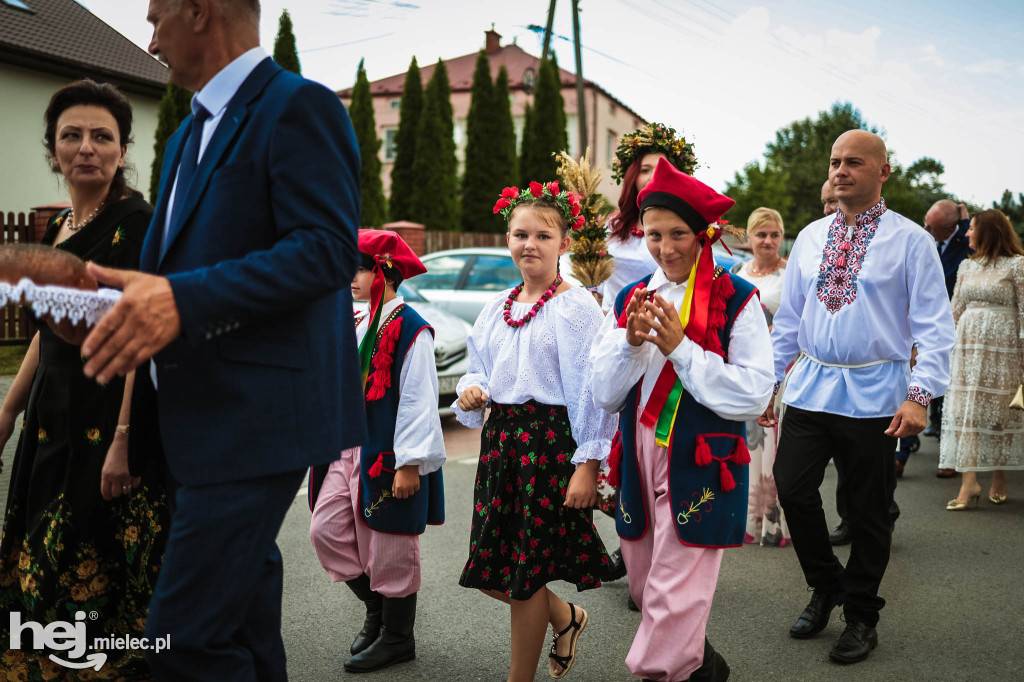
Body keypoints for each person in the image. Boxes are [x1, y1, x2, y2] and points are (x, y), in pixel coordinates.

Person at [74, 1, 366, 678]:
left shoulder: (298, 107)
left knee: (181, 644)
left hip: (254, 420)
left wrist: (181, 299)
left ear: (198, 11)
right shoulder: (186, 135)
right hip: (191, 422)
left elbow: (325, 251)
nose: (148, 40)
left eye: (155, 17)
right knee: (242, 626)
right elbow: (166, 274)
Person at [761, 130, 954, 664]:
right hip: (812, 385)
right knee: (792, 488)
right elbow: (792, 321)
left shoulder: (910, 240)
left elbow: (935, 327)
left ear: (883, 171)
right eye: (835, 162)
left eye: (854, 162)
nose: (841, 170)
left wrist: (919, 396)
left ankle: (862, 614)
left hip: (877, 394)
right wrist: (771, 382)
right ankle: (826, 585)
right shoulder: (811, 235)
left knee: (868, 510)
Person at [0, 79, 169, 678]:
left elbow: (142, 336)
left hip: (108, 416)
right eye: (72, 135)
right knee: (37, 559)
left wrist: (123, 438)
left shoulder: (137, 225)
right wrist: (9, 412)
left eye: (103, 136)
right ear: (53, 149)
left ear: (124, 150)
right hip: (52, 415)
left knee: (96, 568)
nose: (87, 147)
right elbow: (47, 330)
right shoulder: (56, 230)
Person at [592, 157, 775, 682]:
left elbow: (752, 393)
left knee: (674, 586)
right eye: (653, 234)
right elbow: (605, 394)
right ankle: (702, 667)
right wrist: (628, 343)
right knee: (647, 583)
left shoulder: (736, 298)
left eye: (678, 234)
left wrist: (682, 350)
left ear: (703, 234)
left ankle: (659, 671)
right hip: (639, 450)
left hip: (699, 455)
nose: (666, 247)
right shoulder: (630, 298)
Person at [454, 181, 616, 681]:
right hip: (501, 442)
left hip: (547, 446)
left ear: (564, 243)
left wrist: (587, 465)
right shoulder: (495, 306)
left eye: (543, 236)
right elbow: (478, 366)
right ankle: (566, 617)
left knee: (525, 574)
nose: (530, 245)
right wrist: (471, 390)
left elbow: (594, 392)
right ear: (508, 238)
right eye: (520, 234)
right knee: (490, 569)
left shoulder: (575, 308)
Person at [308, 229, 445, 673]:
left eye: (362, 268)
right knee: (326, 529)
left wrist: (409, 465)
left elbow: (418, 400)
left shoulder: (411, 329)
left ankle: (397, 636)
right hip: (346, 446)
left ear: (384, 273)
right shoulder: (353, 319)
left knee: (388, 544)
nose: (352, 276)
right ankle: (376, 610)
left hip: (388, 451)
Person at [938, 209, 1024, 509]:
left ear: (988, 231)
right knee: (965, 413)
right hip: (967, 350)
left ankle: (999, 476)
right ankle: (969, 482)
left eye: (972, 228)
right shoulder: (965, 267)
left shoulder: (1017, 265)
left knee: (1001, 415)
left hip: (1005, 352)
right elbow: (955, 309)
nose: (966, 234)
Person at [729, 208, 790, 547]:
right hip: (745, 369)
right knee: (749, 442)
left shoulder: (790, 273)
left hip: (780, 369)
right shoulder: (737, 272)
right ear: (749, 238)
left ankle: (774, 522)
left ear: (782, 238)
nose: (767, 241)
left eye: (774, 235)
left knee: (774, 445)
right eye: (761, 234)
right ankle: (748, 519)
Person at [601, 123, 698, 312]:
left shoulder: (691, 226)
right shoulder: (614, 224)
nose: (654, 176)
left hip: (661, 323)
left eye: (663, 168)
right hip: (611, 323)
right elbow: (599, 276)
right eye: (645, 170)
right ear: (632, 178)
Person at [923, 200, 973, 476]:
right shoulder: (923, 239)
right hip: (922, 320)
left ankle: (947, 453)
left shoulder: (963, 245)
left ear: (951, 229)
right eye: (926, 222)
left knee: (947, 390)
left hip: (953, 325)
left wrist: (965, 219)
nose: (926, 228)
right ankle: (900, 455)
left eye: (933, 227)